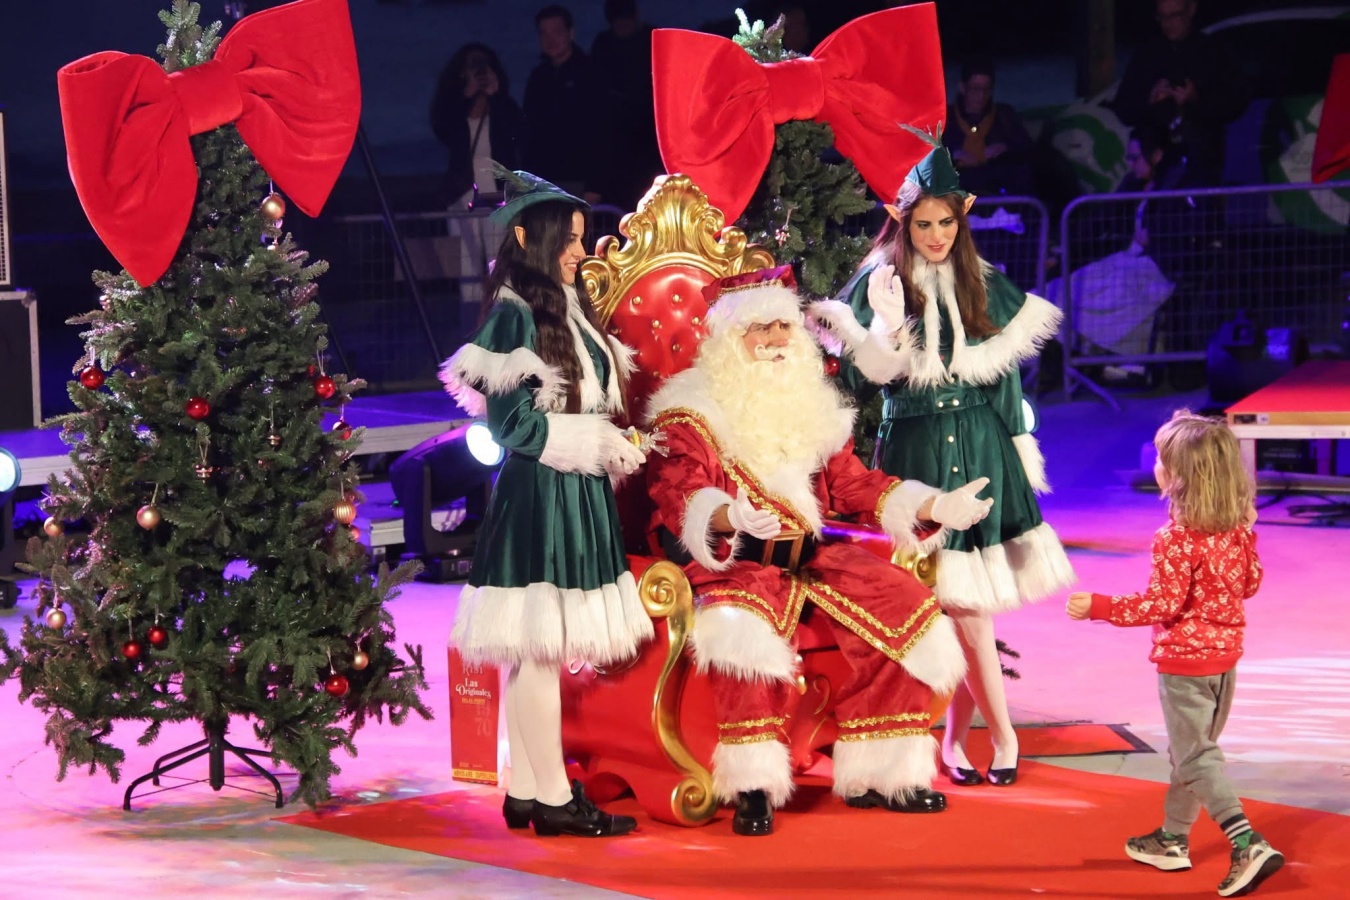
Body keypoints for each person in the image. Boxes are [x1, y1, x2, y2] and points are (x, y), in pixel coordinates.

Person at [644, 267, 993, 836]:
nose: (780, 339)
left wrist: (931, 507)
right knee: (742, 629)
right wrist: (729, 515)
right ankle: (753, 785)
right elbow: (678, 491)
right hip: (735, 563)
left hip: (812, 555)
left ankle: (887, 772)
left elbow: (853, 485)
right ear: (732, 341)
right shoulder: (691, 413)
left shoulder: (810, 407)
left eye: (785, 324)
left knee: (905, 602)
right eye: (763, 328)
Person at [811, 132, 1075, 789]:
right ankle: (992, 737)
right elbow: (858, 381)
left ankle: (965, 737)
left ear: (963, 221)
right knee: (953, 607)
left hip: (980, 449)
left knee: (965, 608)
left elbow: (1006, 382)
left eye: (946, 223)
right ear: (903, 224)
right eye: (924, 224)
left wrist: (1020, 452)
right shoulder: (879, 285)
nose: (935, 236)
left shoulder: (983, 284)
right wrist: (885, 332)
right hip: (915, 454)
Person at [439, 168, 653, 837]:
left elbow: (577, 406)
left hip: (572, 489)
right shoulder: (514, 313)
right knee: (539, 649)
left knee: (539, 649)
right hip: (542, 495)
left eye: (583, 237)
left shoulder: (568, 306)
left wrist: (610, 442)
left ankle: (528, 790)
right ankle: (555, 796)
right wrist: (589, 440)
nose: (579, 249)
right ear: (527, 236)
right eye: (568, 237)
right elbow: (510, 427)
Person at [1066, 410, 1283, 898]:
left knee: (1195, 756)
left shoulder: (1176, 539)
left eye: (1161, 460)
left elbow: (1161, 605)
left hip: (1185, 665)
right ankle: (1172, 838)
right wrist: (1249, 535)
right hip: (1226, 662)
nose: (1156, 466)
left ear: (1178, 477)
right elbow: (1249, 585)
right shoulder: (1234, 531)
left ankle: (1246, 841)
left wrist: (1099, 606)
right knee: (1191, 754)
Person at [1114, 0, 1249, 187]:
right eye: (1162, 17)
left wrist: (1196, 100)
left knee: (1201, 212)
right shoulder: (1147, 55)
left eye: (1175, 15)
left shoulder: (1213, 51)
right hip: (1156, 171)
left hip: (1203, 164)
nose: (1168, 23)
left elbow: (1237, 102)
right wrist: (1149, 100)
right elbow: (1124, 107)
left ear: (1191, 10)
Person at [523, 5, 609, 203]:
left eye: (557, 31)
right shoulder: (538, 77)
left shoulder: (591, 73)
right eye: (544, 33)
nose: (550, 39)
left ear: (571, 32)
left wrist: (596, 184)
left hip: (579, 179)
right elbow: (529, 132)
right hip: (543, 181)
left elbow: (603, 132)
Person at [429, 42, 524, 209]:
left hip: (500, 195)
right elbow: (443, 130)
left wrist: (496, 97)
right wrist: (466, 96)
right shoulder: (453, 110)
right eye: (473, 67)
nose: (480, 74)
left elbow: (517, 134)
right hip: (464, 193)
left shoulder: (505, 107)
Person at [590, 0, 661, 211]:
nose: (623, 26)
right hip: (615, 144)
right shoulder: (603, 44)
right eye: (618, 22)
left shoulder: (651, 38)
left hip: (650, 141)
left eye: (626, 20)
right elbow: (597, 95)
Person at [941, 56, 1035, 197]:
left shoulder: (1004, 115)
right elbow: (928, 154)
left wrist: (1006, 148)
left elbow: (1027, 148)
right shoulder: (946, 118)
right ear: (962, 87)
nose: (981, 95)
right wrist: (953, 155)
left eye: (986, 89)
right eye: (975, 89)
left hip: (996, 189)